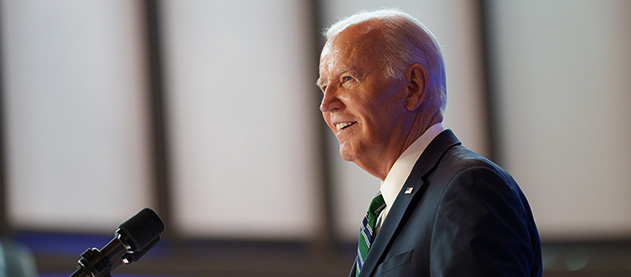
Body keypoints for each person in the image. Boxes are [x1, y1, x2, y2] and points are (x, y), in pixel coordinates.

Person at [316, 9, 542, 276]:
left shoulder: (468, 189)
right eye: (323, 87)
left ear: (412, 86)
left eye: (347, 79)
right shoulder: (389, 209)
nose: (326, 104)